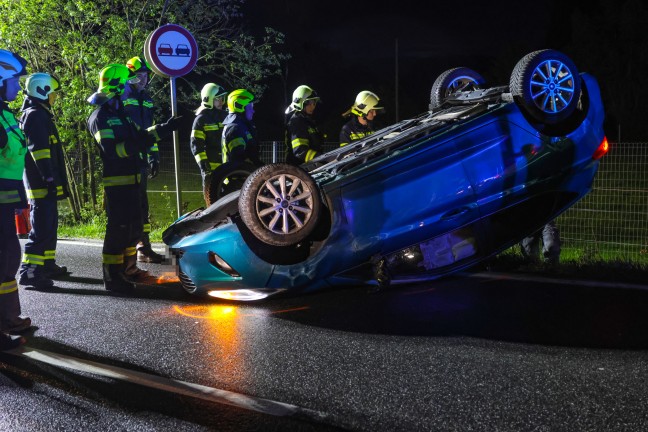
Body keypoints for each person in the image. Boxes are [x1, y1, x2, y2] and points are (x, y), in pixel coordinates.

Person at [87, 64, 180, 293]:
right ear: (117, 86)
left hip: (133, 179)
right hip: (117, 181)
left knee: (132, 229)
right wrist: (138, 144)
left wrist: (166, 128)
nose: (131, 86)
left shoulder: (121, 114)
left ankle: (128, 270)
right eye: (127, 82)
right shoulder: (100, 117)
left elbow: (142, 134)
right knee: (117, 229)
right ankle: (112, 276)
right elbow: (112, 150)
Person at [18, 73, 70, 289]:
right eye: (53, 93)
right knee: (40, 229)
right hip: (41, 184)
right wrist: (49, 178)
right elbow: (39, 152)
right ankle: (29, 272)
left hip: (46, 183)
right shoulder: (35, 116)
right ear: (42, 91)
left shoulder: (41, 114)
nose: (55, 97)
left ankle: (46, 264)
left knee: (49, 226)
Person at [0, 49, 31, 349]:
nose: (18, 87)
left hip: (5, 198)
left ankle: (8, 317)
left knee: (7, 258)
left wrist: (20, 198)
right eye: (13, 80)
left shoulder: (5, 114)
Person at [123, 56, 164, 264]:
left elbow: (150, 130)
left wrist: (154, 155)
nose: (144, 80)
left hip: (141, 159)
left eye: (146, 76)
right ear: (130, 76)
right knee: (128, 205)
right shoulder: (122, 95)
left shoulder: (146, 99)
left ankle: (143, 246)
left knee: (142, 205)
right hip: (126, 159)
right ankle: (128, 248)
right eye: (140, 76)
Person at [190, 83, 228, 205]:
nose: (221, 101)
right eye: (218, 99)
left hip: (227, 166)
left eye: (222, 98)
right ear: (208, 99)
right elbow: (196, 145)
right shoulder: (201, 120)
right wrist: (204, 167)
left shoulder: (226, 116)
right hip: (210, 169)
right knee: (213, 203)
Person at [221, 89, 263, 167]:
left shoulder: (242, 126)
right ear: (239, 106)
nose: (253, 111)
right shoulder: (234, 128)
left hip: (245, 176)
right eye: (250, 107)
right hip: (236, 178)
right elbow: (240, 160)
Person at [284, 85, 323, 164]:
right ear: (300, 103)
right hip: (298, 170)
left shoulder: (308, 122)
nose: (313, 106)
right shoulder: (296, 122)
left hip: (308, 167)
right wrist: (322, 159)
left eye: (314, 103)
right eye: (310, 103)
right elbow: (300, 151)